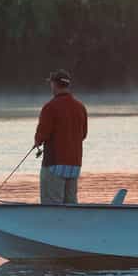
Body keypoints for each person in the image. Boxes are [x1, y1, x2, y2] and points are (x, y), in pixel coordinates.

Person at [35, 69, 88, 204]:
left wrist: (37, 141)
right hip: (74, 165)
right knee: (71, 205)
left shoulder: (50, 107)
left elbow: (42, 134)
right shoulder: (80, 107)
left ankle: (52, 225)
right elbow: (83, 135)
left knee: (52, 205)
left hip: (54, 164)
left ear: (54, 84)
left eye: (51, 83)